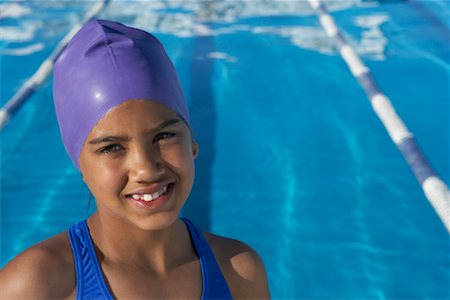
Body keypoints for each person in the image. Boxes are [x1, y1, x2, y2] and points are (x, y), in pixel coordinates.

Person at [0, 19, 271, 299]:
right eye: (112, 147)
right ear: (80, 166)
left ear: (192, 144)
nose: (145, 168)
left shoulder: (238, 272)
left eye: (163, 136)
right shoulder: (36, 286)